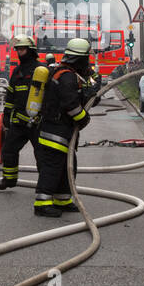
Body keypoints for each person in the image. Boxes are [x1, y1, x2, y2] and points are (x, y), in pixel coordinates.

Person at [32, 37, 94, 217]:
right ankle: (42, 204)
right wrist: (84, 119)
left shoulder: (66, 73)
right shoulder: (66, 76)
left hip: (61, 131)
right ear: (80, 59)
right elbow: (72, 106)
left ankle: (63, 199)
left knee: (67, 166)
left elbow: (73, 99)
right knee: (52, 168)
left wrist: (90, 97)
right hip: (55, 132)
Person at [0, 35, 41, 190]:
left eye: (22, 49)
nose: (20, 52)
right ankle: (9, 179)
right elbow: (11, 94)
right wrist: (7, 115)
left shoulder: (41, 70)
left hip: (37, 123)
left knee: (42, 155)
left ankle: (45, 182)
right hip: (19, 122)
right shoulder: (17, 71)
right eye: (18, 49)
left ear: (31, 50)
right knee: (8, 150)